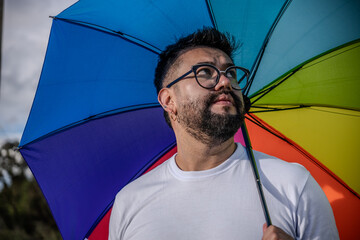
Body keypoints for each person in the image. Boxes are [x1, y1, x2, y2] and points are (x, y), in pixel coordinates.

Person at [108, 28, 339, 240]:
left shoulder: (292, 184)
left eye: (231, 72)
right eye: (206, 72)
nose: (225, 81)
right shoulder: (130, 201)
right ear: (169, 100)